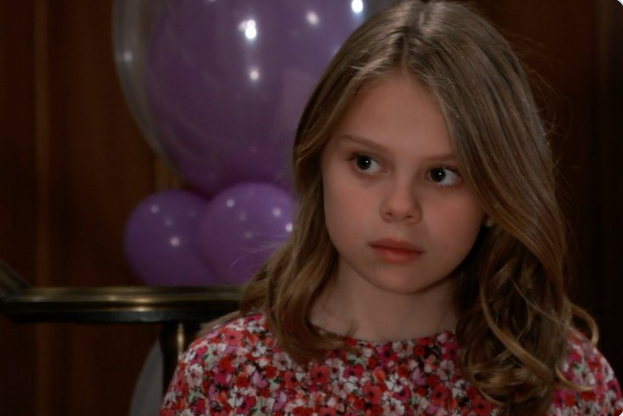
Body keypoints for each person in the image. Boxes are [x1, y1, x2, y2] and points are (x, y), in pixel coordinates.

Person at [159, 0, 623, 414]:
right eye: (366, 163)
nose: (400, 206)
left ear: (495, 194)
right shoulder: (226, 376)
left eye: (442, 174)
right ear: (318, 164)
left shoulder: (568, 383)